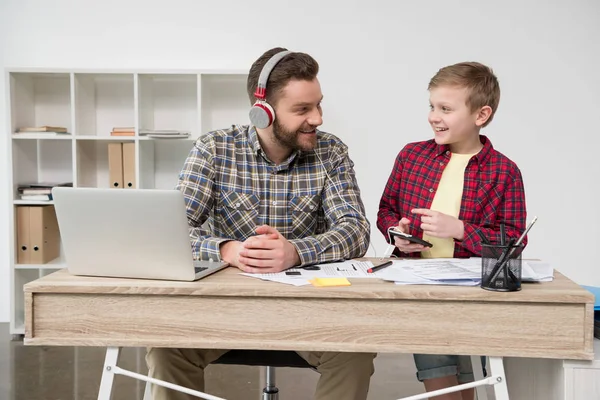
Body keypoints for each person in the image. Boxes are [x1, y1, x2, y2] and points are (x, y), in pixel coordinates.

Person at [145, 47, 376, 400]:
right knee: (166, 350)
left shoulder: (331, 152)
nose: (317, 118)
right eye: (302, 109)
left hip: (309, 313)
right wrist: (228, 250)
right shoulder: (215, 149)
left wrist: (295, 252)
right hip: (226, 310)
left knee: (354, 354)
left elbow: (355, 230)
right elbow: (168, 232)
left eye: (318, 104)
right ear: (263, 112)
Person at [377, 61, 527, 399]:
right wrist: (396, 232)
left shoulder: (504, 172)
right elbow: (386, 209)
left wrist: (460, 229)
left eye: (445, 108)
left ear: (481, 115)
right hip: (421, 283)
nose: (434, 116)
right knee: (438, 366)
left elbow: (514, 242)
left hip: (472, 290)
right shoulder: (412, 156)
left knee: (467, 373)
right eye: (432, 106)